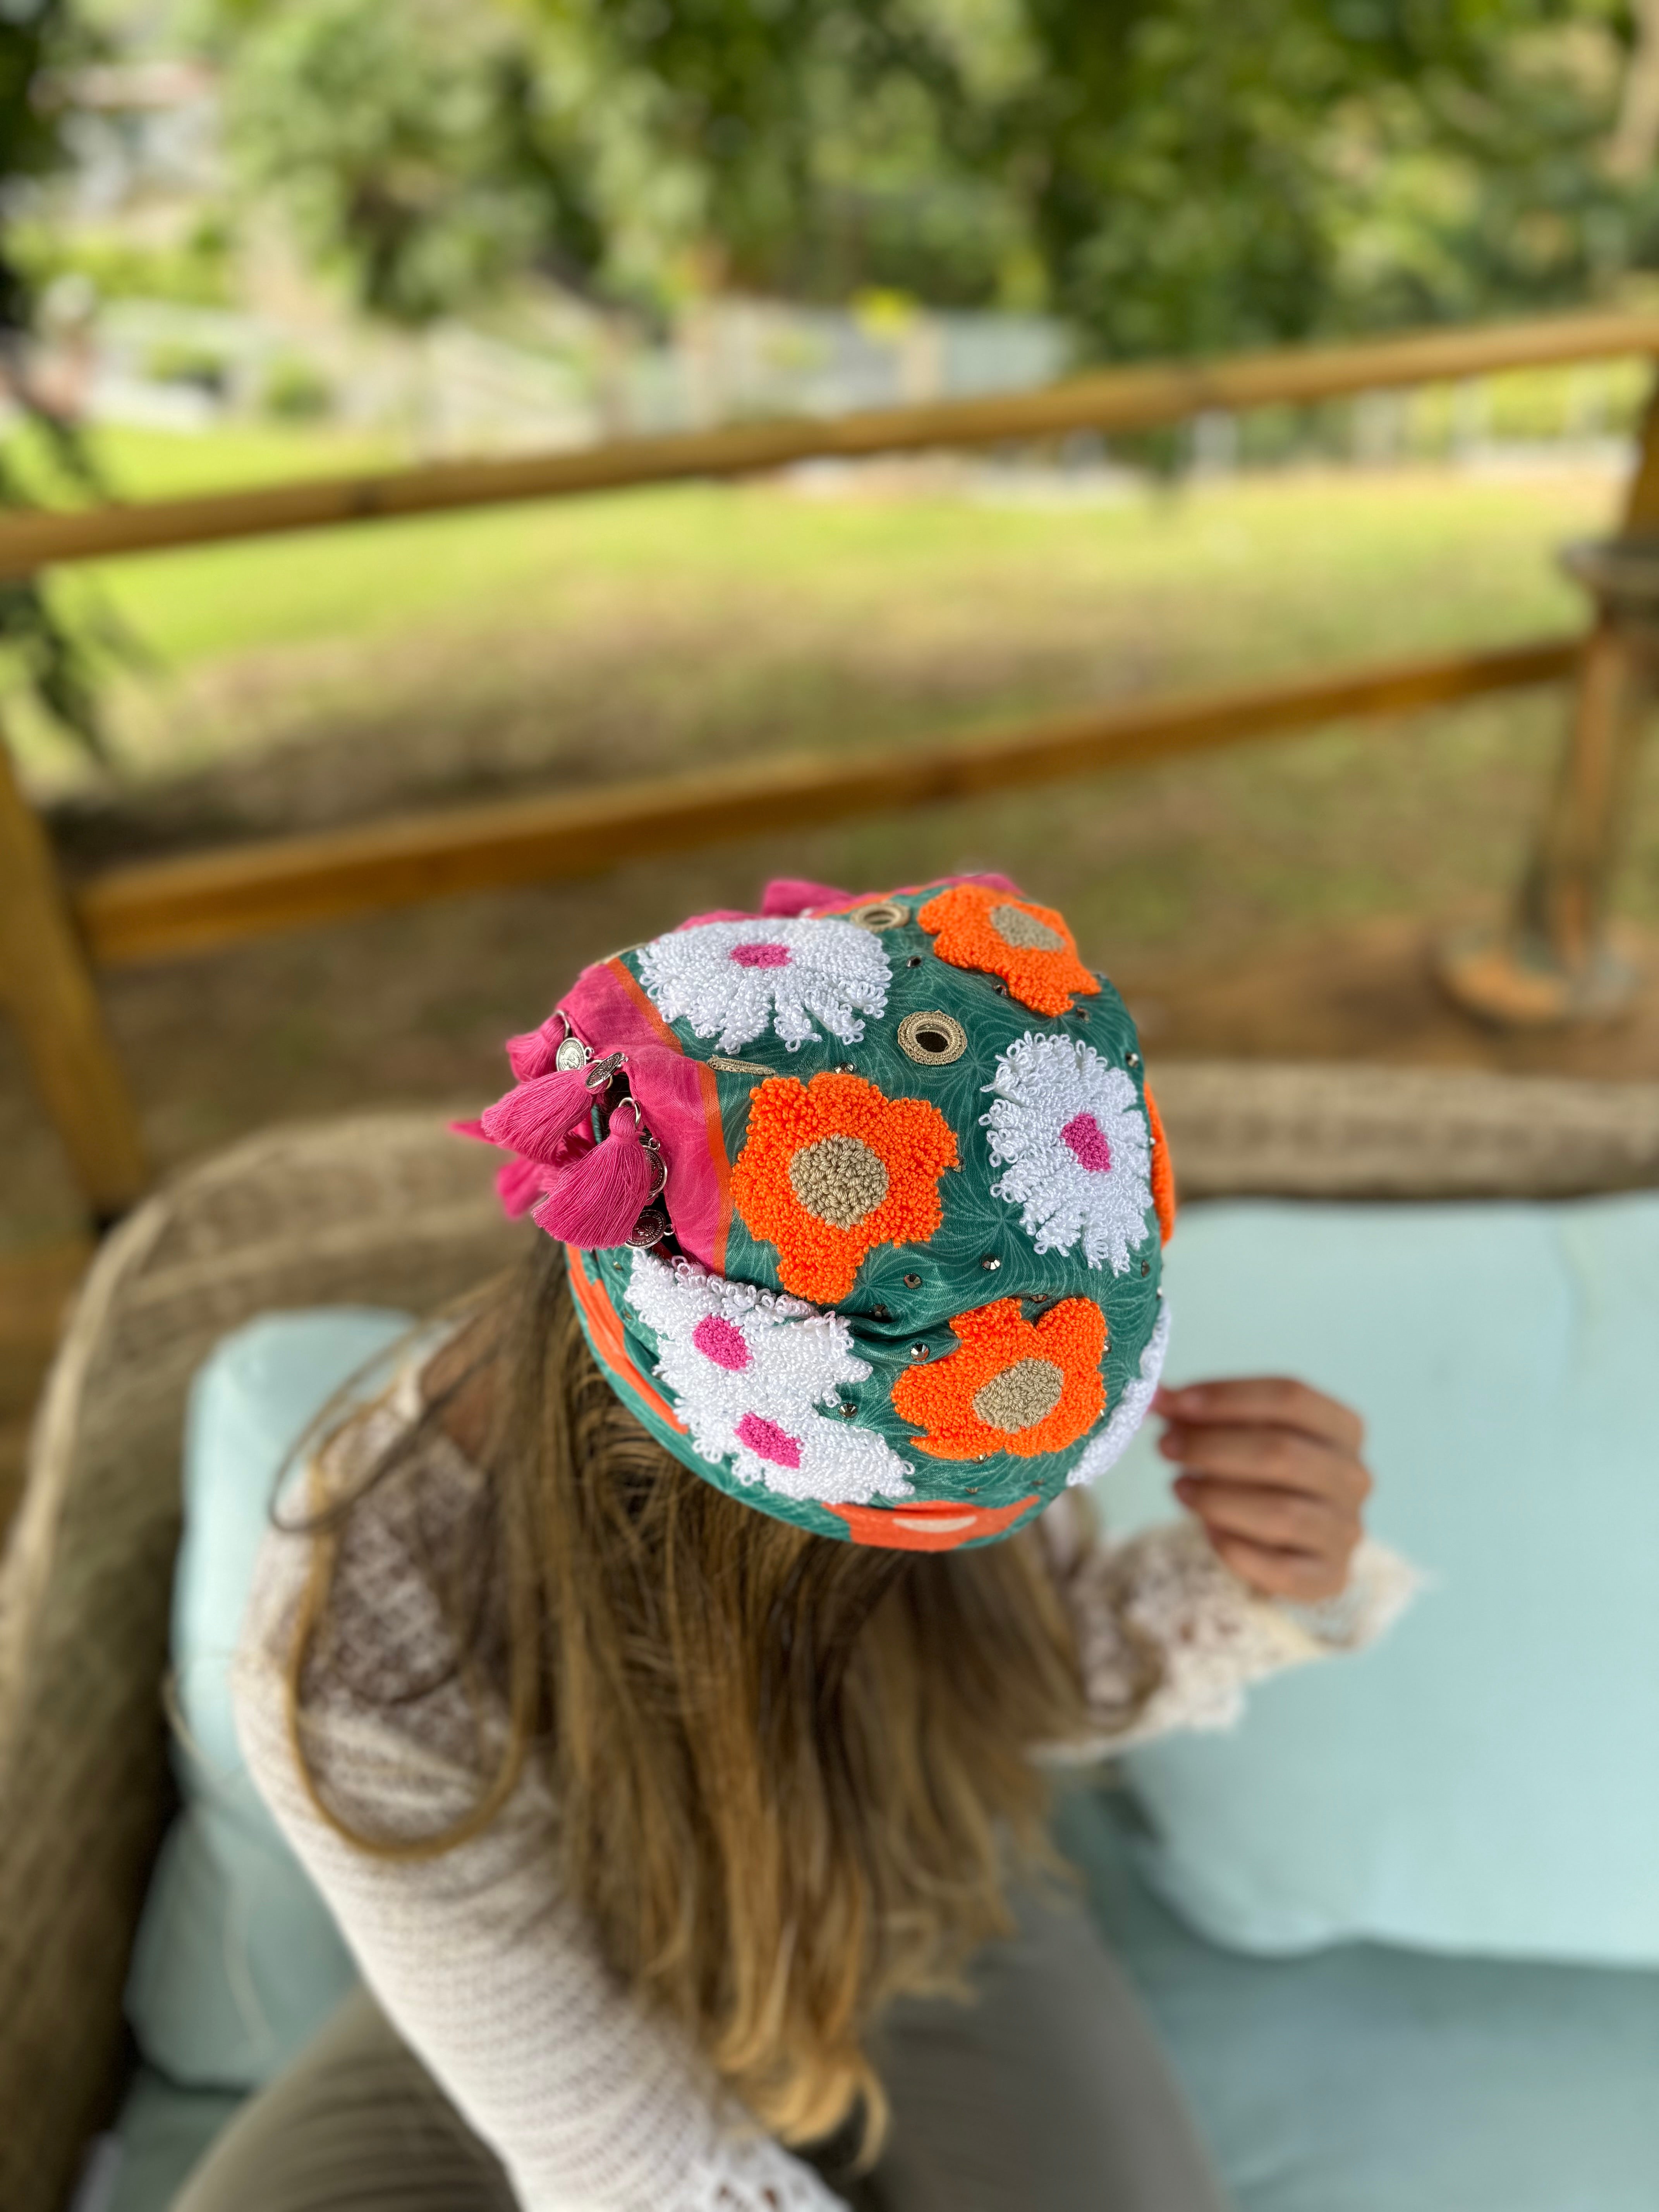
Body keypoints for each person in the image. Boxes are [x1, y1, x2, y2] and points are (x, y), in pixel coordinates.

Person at [186, 875, 1412, 2212]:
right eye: (915, 1539)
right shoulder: (361, 1658)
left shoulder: (953, 1297)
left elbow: (1031, 1674)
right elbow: (631, 2166)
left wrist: (1268, 1580)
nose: (979, 1547)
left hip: (920, 1879)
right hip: (548, 1940)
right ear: (729, 1526)